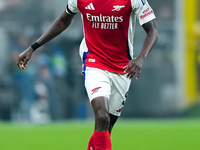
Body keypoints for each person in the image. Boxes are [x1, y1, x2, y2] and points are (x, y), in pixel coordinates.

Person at [17, 0, 158, 149]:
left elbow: (153, 30)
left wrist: (141, 58)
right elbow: (62, 21)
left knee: (106, 127)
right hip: (94, 63)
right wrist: (33, 47)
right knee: (102, 116)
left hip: (122, 68)